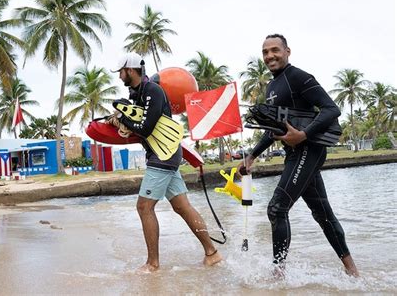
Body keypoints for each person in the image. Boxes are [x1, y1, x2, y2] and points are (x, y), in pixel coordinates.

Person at [242, 34, 359, 277]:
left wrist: (303, 135)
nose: (269, 56)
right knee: (323, 214)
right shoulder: (271, 87)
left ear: (287, 51)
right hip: (295, 153)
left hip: (309, 150)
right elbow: (276, 128)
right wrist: (252, 156)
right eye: (265, 52)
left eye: (275, 50)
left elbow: (331, 109)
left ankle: (278, 275)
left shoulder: (298, 77)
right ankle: (353, 272)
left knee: (276, 208)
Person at [111, 52, 222, 273]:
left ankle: (152, 264)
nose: (120, 76)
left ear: (130, 70)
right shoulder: (139, 95)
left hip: (163, 156)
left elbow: (146, 128)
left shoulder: (152, 91)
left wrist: (122, 119)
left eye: (121, 72)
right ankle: (212, 253)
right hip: (165, 154)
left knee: (144, 206)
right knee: (182, 206)